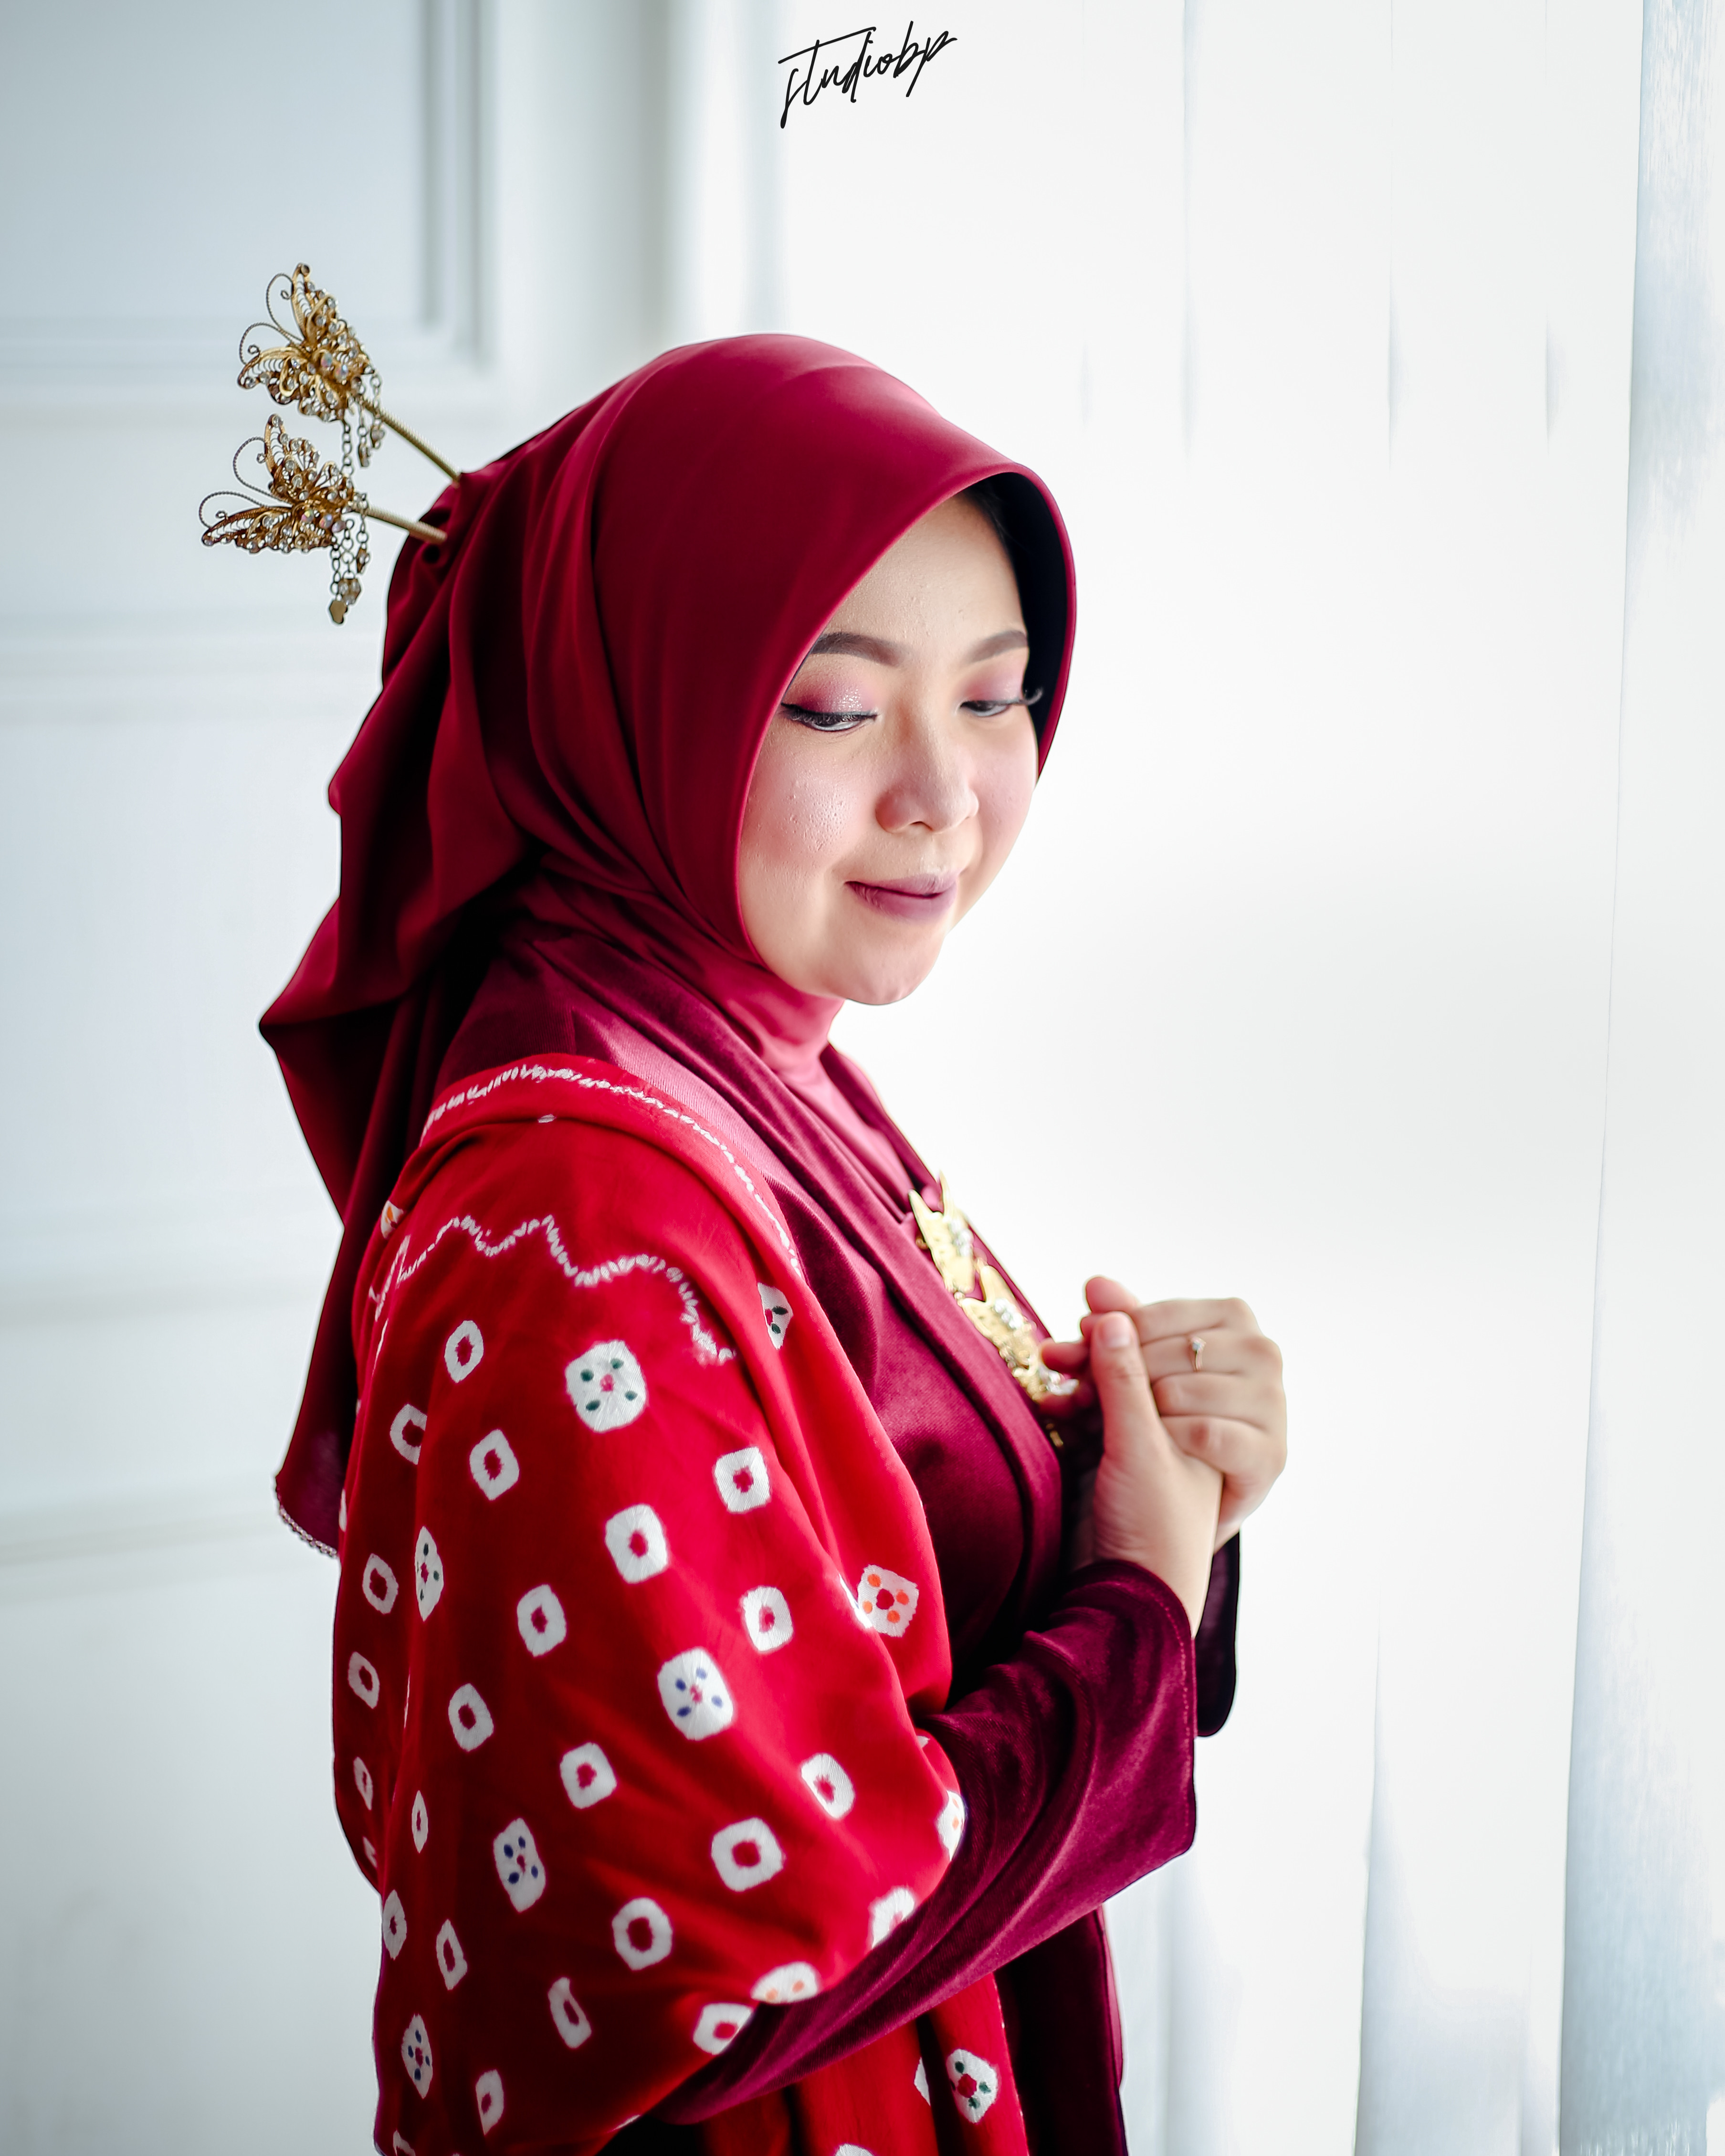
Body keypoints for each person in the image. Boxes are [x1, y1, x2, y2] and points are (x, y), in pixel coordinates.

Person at [263, 335, 1286, 2156]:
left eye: (998, 695)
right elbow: (728, 1973)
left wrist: (1155, 1483)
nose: (944, 791)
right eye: (831, 707)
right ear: (630, 705)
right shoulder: (582, 1227)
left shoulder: (739, 1055)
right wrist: (1141, 1600)